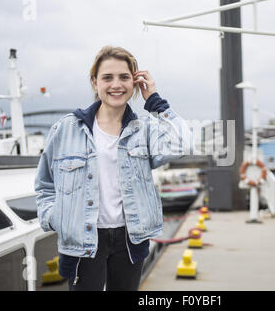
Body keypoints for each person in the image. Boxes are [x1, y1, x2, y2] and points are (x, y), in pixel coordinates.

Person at [34, 45, 193, 291]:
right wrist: (54, 218)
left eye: (124, 77)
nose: (116, 84)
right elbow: (45, 185)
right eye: (107, 77)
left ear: (135, 82)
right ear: (95, 82)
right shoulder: (65, 129)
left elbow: (184, 142)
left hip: (129, 239)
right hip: (83, 241)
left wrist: (154, 99)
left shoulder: (145, 130)